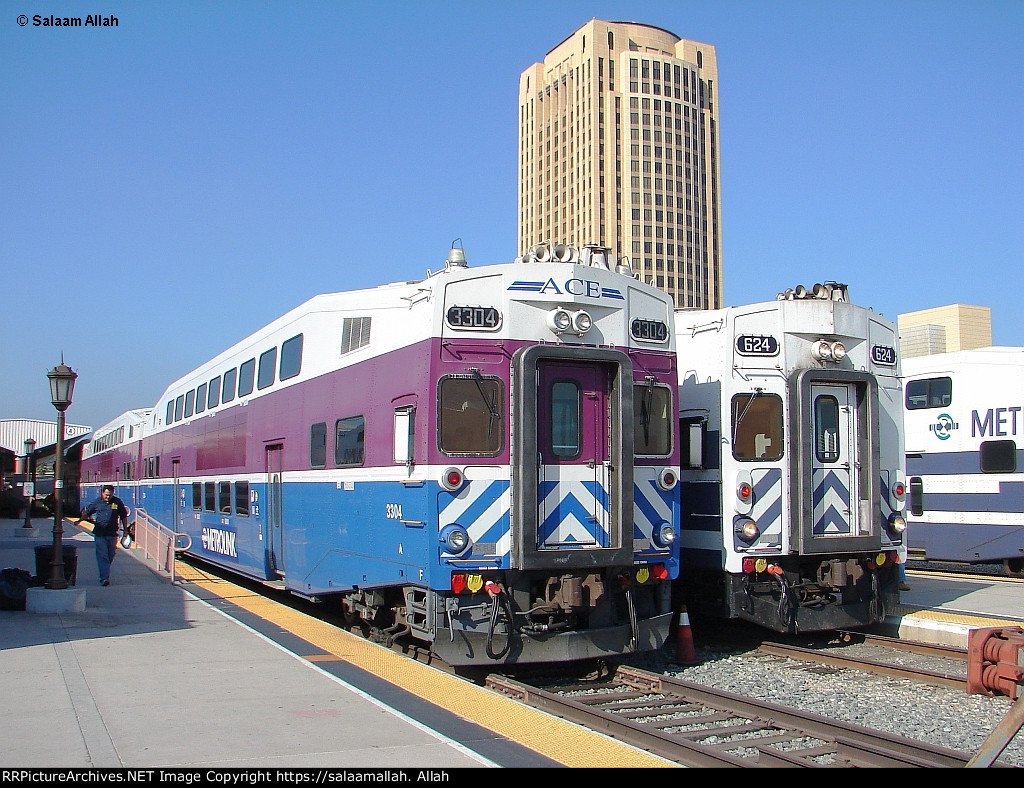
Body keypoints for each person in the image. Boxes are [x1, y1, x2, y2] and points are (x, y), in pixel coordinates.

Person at [79, 485, 128, 586]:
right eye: (106, 495)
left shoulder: (117, 502)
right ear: (102, 493)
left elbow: (123, 516)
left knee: (110, 554)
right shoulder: (97, 502)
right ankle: (104, 578)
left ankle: (105, 570)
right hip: (100, 533)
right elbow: (87, 513)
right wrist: (80, 520)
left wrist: (125, 531)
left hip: (112, 534)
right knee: (102, 555)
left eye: (110, 495)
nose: (108, 497)